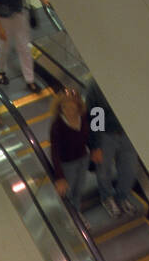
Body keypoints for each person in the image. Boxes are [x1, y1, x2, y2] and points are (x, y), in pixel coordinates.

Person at [83, 76, 139, 218]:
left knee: (129, 169)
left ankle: (122, 197)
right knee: (103, 170)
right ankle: (107, 197)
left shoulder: (124, 78)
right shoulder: (95, 86)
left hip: (127, 133)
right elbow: (95, 116)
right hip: (106, 135)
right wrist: (95, 146)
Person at [50, 87, 92, 216]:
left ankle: (77, 212)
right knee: (68, 193)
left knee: (79, 189)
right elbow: (54, 152)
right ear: (60, 108)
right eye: (64, 108)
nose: (68, 111)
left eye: (72, 108)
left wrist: (96, 148)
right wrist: (60, 177)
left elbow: (91, 134)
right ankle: (70, 217)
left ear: (78, 107)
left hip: (83, 159)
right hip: (67, 164)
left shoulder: (84, 118)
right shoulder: (57, 126)